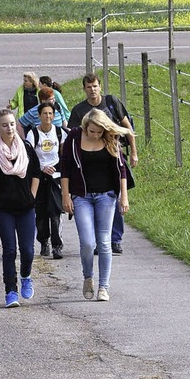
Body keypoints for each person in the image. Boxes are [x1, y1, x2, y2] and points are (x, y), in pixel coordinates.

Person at [61, 108, 130, 302]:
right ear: (85, 126)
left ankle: (103, 287)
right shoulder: (73, 138)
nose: (96, 135)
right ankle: (88, 276)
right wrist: (65, 196)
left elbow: (121, 171)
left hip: (106, 196)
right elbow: (65, 167)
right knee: (87, 242)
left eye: (99, 132)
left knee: (104, 242)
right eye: (92, 131)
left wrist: (123, 197)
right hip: (81, 197)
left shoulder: (110, 139)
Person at [68, 73, 137, 255]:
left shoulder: (111, 102)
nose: (92, 90)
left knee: (112, 195)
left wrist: (134, 153)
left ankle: (114, 239)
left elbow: (127, 127)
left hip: (113, 155)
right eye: (89, 87)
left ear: (100, 86)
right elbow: (72, 135)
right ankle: (100, 241)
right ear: (84, 89)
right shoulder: (78, 110)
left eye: (95, 86)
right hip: (88, 160)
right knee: (97, 200)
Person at [0, 109, 41, 308]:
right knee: (9, 251)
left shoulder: (26, 147)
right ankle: (10, 292)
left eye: (12, 124)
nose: (9, 128)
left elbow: (36, 173)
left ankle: (26, 276)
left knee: (28, 250)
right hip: (4, 208)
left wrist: (32, 196)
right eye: (5, 125)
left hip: (26, 208)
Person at [26, 101, 66, 259]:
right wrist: (42, 168)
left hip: (55, 177)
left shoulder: (60, 132)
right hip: (39, 177)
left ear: (54, 115)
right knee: (41, 212)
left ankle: (57, 245)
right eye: (44, 113)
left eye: (50, 113)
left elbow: (64, 154)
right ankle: (44, 241)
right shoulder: (33, 134)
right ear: (39, 116)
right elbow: (29, 156)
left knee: (56, 211)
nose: (48, 116)